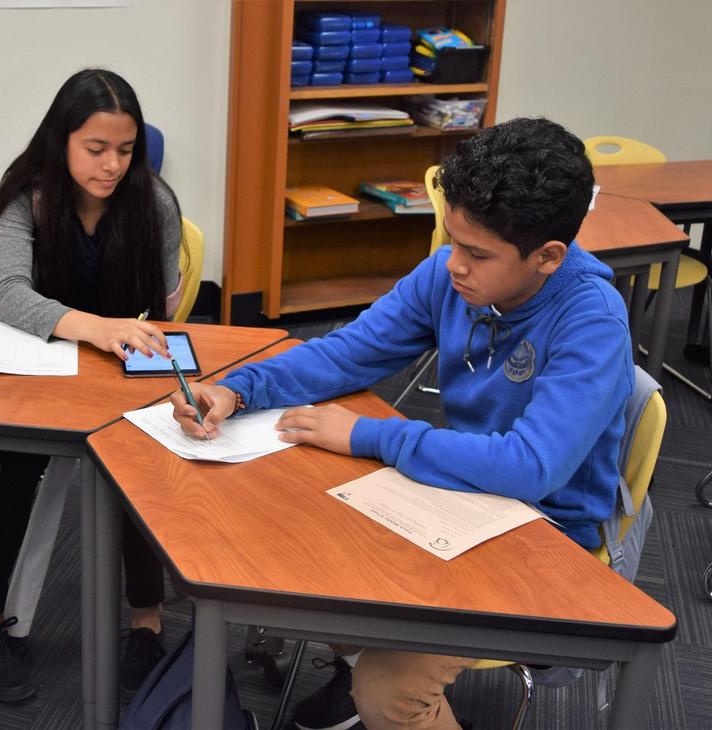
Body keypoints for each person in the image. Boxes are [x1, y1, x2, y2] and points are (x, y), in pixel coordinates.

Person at [171, 118, 635, 730]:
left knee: (390, 691)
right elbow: (348, 351)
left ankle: (378, 689)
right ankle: (360, 667)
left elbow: (530, 467)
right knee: (295, 556)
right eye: (452, 240)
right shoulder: (451, 272)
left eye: (476, 253)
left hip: (545, 534)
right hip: (459, 497)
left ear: (548, 257)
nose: (455, 266)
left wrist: (372, 437)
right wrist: (238, 389)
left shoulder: (592, 320)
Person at [0, 68, 182, 704]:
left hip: (119, 365)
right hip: (45, 357)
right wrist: (92, 328)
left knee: (139, 472)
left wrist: (123, 340)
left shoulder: (155, 202)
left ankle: (146, 621)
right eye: (96, 149)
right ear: (62, 141)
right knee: (15, 469)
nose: (113, 165)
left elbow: (164, 306)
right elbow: (6, 292)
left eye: (125, 150)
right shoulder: (27, 197)